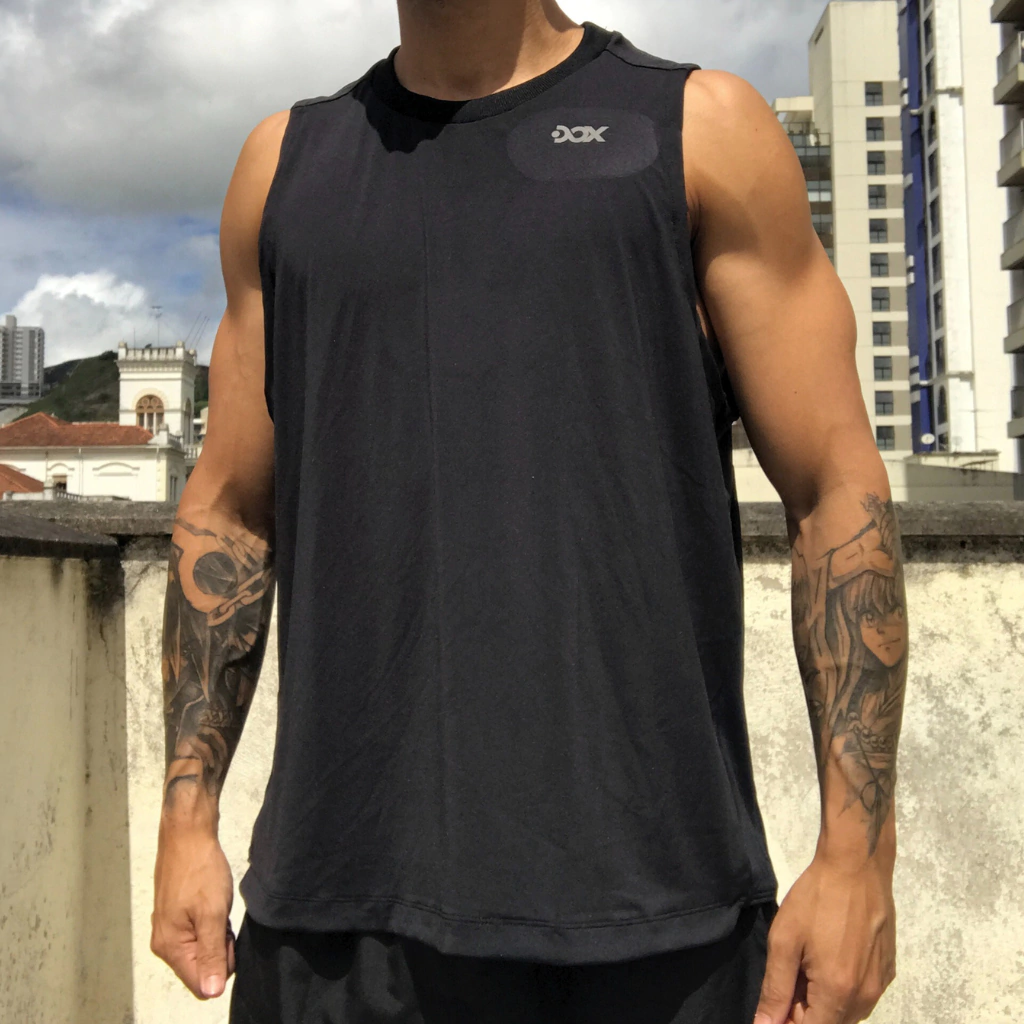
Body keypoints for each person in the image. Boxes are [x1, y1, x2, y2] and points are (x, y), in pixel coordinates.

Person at [150, 3, 908, 1022]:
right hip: (335, 924)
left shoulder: (699, 130)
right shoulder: (284, 168)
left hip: (652, 924)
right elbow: (230, 515)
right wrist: (186, 818)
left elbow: (835, 496)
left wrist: (858, 857)